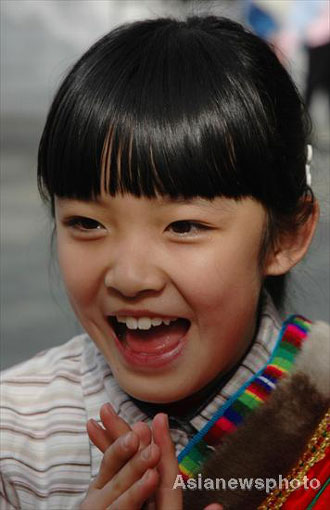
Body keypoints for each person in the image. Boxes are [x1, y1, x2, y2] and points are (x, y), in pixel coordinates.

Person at [1, 16, 329, 510]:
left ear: (286, 235)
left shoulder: (319, 400)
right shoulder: (15, 437)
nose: (130, 277)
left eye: (184, 226)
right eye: (87, 223)